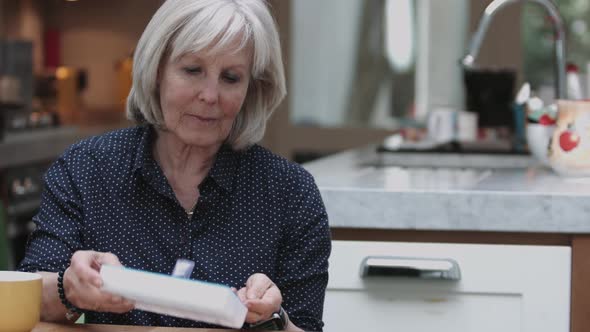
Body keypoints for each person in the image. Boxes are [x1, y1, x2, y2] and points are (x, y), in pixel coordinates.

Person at [18, 0, 331, 330]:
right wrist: (70, 288)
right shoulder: (86, 169)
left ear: (251, 90)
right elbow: (29, 301)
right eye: (192, 70)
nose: (210, 95)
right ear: (156, 71)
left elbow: (305, 326)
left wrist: (274, 319)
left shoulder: (290, 192)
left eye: (231, 77)